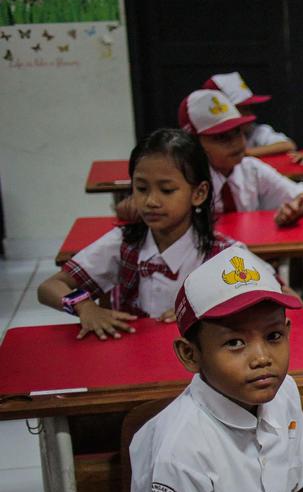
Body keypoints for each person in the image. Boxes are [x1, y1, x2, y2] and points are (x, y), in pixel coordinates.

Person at [128, 247, 303, 492]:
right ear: (190, 355)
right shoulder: (180, 451)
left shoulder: (284, 393)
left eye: (273, 336)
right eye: (234, 343)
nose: (261, 358)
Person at [37, 129, 237, 339]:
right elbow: (49, 287)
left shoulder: (222, 254)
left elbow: (266, 301)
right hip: (133, 360)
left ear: (199, 193)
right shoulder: (124, 242)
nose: (151, 201)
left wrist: (207, 314)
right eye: (141, 189)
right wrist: (84, 306)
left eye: (167, 190)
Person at [178, 90, 303, 227]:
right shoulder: (186, 181)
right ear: (194, 144)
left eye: (238, 132)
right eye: (221, 137)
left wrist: (293, 209)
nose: (235, 142)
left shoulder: (251, 168)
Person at [202, 72, 295, 158]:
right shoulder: (203, 140)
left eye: (250, 108)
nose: (251, 115)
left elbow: (288, 145)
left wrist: (242, 154)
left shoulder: (255, 131)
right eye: (244, 109)